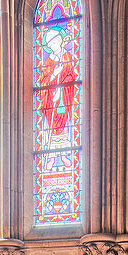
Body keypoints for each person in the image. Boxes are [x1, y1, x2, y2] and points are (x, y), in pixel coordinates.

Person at [36, 26, 77, 168]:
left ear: (60, 40)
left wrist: (61, 89)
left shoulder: (66, 57)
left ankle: (64, 155)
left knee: (64, 126)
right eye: (50, 44)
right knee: (51, 127)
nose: (53, 45)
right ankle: (51, 157)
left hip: (63, 99)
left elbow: (71, 76)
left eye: (55, 42)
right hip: (50, 100)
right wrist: (54, 74)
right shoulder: (48, 61)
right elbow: (43, 80)